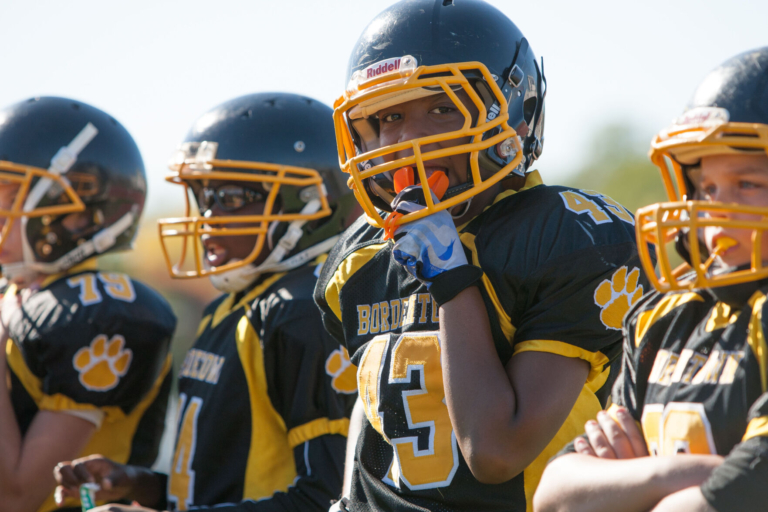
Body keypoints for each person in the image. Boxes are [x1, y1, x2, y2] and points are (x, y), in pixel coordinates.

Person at [313, 1, 648, 510]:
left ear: (513, 113)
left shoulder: (568, 238)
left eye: (443, 108)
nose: (407, 139)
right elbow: (376, 408)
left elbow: (495, 451)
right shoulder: (361, 255)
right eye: (389, 117)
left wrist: (452, 279)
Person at [54, 93, 360, 511]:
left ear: (310, 204)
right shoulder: (233, 305)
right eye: (204, 197)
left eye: (229, 198)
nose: (206, 218)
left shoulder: (302, 310)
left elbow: (328, 498)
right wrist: (136, 484)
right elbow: (218, 490)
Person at [533, 47, 768, 512]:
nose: (716, 214)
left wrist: (628, 488)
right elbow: (555, 496)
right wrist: (682, 474)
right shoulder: (664, 318)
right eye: (706, 188)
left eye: (747, 185)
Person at [0, 96, 176, 512]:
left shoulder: (98, 313)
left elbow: (18, 496)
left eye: (10, 201)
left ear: (78, 216)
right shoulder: (18, 294)